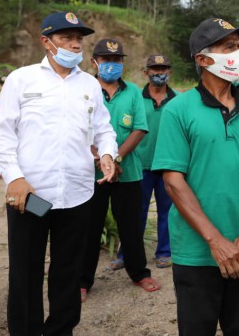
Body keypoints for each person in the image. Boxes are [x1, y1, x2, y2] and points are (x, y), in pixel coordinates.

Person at [152, 17, 239, 334]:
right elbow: (173, 181)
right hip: (197, 252)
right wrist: (215, 241)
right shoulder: (178, 110)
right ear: (202, 58)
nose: (238, 54)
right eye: (229, 47)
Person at [0, 11, 117, 335]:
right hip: (31, 196)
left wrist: (107, 154)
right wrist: (14, 177)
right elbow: (1, 133)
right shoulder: (22, 80)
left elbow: (104, 129)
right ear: (46, 41)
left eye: (79, 39)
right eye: (66, 38)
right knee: (26, 272)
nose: (75, 45)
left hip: (76, 196)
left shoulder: (90, 84)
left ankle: (60, 330)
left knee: (67, 272)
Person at [80, 38, 159, 301]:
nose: (112, 65)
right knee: (89, 227)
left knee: (131, 226)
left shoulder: (134, 91)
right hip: (91, 173)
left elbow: (140, 128)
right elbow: (74, 127)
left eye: (117, 60)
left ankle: (139, 273)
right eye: (106, 60)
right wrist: (97, 157)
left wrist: (115, 159)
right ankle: (82, 281)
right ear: (94, 62)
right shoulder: (83, 88)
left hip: (129, 171)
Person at [114, 55, 178, 269]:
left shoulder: (177, 100)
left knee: (167, 211)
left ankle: (164, 252)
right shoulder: (135, 98)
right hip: (139, 165)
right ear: (146, 72)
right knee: (134, 213)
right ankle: (126, 255)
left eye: (163, 68)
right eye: (154, 69)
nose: (159, 73)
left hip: (167, 165)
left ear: (169, 72)